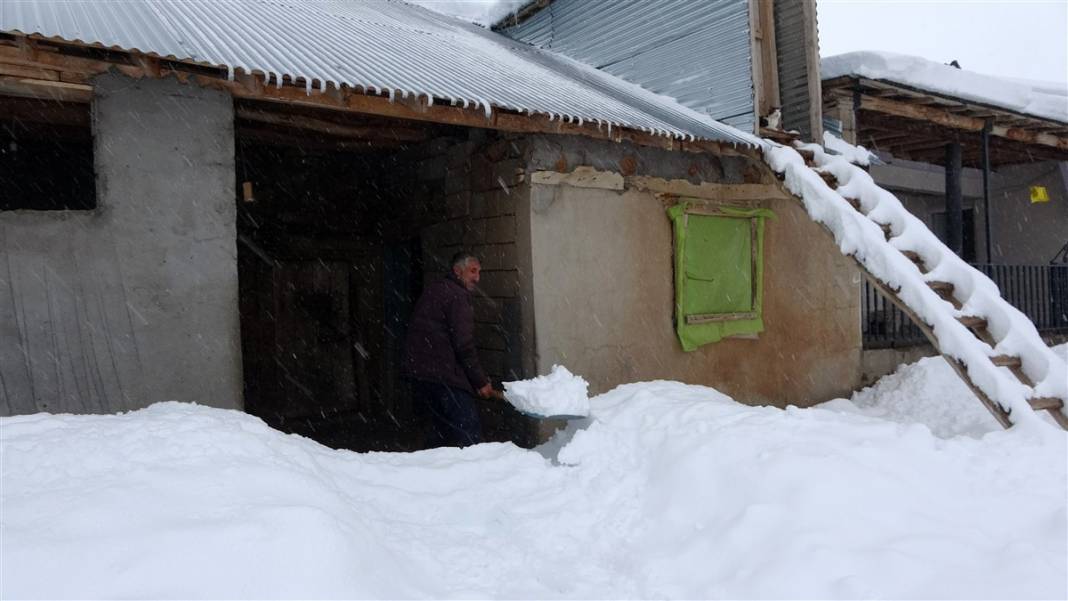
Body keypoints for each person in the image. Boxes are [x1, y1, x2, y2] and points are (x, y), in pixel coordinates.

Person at [404, 251, 497, 447]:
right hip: (444, 376)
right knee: (468, 433)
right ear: (457, 271)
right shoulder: (457, 296)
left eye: (479, 272)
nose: (477, 278)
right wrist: (480, 381)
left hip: (423, 374)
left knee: (440, 432)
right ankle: (472, 464)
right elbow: (464, 344)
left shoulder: (435, 289)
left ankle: (435, 463)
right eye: (473, 271)